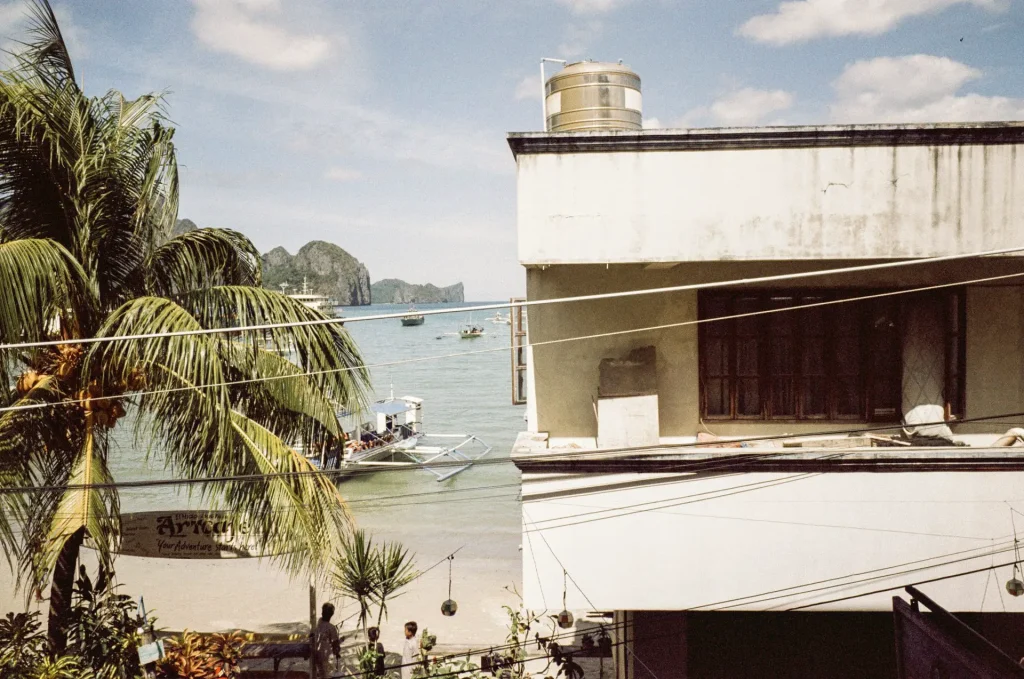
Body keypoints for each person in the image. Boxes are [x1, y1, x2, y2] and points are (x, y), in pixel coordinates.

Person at [313, 603, 340, 678]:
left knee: (321, 674)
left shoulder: (318, 624)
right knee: (328, 675)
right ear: (331, 614)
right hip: (327, 656)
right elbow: (335, 643)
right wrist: (337, 651)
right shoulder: (331, 627)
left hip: (317, 654)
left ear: (322, 613)